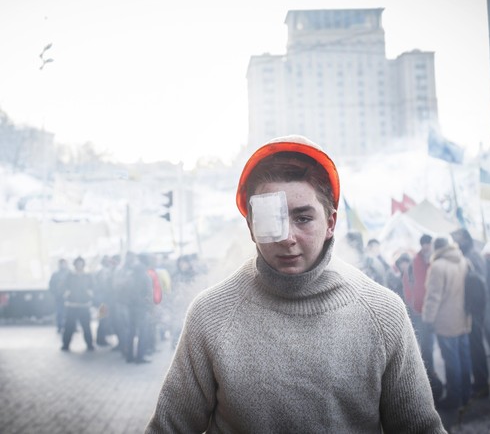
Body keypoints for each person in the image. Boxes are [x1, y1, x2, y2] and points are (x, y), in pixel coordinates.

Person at [146, 135, 445, 433]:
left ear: (330, 223)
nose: (287, 238)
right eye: (270, 220)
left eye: (303, 218)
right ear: (251, 227)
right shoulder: (210, 314)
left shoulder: (383, 314)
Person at [423, 237, 472, 411]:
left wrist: (428, 319)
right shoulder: (463, 261)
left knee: (451, 361)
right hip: (464, 318)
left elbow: (433, 296)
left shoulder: (438, 266)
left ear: (436, 248)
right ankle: (466, 394)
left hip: (446, 320)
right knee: (464, 358)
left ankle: (453, 398)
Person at [403, 234, 442, 401]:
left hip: (438, 310)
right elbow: (407, 283)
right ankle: (431, 378)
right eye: (424, 244)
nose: (427, 247)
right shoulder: (414, 262)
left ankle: (436, 380)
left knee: (441, 345)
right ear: (421, 246)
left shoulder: (435, 261)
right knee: (427, 346)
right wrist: (412, 304)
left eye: (429, 244)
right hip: (420, 310)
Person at [451, 228, 489, 398]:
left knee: (476, 346)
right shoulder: (471, 254)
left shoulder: (472, 256)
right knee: (473, 346)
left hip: (474, 309)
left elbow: (476, 284)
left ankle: (482, 385)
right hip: (473, 308)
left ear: (465, 238)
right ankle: (480, 383)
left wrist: (471, 308)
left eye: (457, 239)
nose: (455, 242)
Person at [61, 256, 94, 352]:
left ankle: (90, 344)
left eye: (81, 263)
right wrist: (66, 294)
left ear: (83, 264)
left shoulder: (88, 275)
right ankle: (65, 345)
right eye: (77, 263)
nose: (79, 265)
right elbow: (63, 287)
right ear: (74, 265)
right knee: (69, 326)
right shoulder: (70, 275)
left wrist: (90, 294)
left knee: (86, 326)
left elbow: (93, 286)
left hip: (84, 305)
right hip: (72, 305)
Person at [49, 258, 70, 333]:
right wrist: (56, 293)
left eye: (64, 263)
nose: (63, 265)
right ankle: (60, 326)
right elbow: (51, 285)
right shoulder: (55, 274)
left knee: (70, 313)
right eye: (61, 263)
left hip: (69, 297)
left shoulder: (70, 273)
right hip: (59, 297)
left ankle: (71, 327)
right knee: (59, 312)